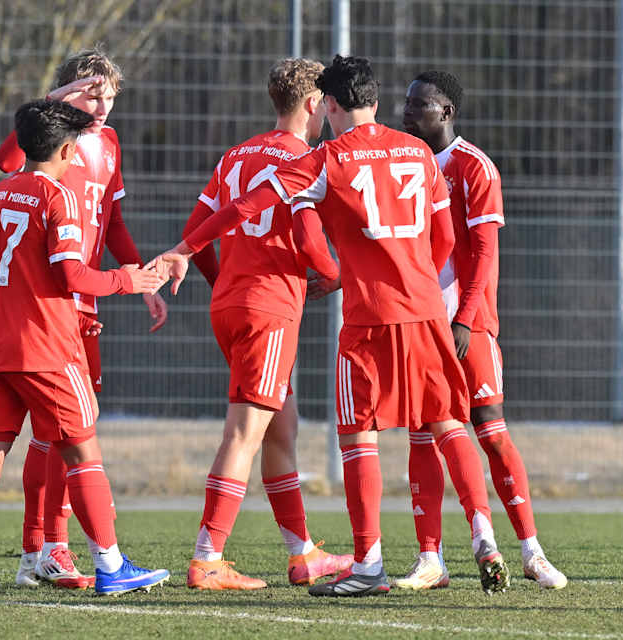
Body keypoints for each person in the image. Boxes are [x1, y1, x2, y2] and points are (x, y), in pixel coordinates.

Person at [152, 55, 510, 597]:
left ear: (335, 105)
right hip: (425, 310)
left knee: (356, 435)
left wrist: (186, 248)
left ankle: (366, 562)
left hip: (365, 317)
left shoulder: (325, 158)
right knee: (448, 421)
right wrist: (407, 270)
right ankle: (484, 535)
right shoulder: (419, 152)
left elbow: (248, 206)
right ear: (378, 100)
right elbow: (445, 241)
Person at [0, 99, 170, 597]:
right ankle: (111, 566)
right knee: (83, 450)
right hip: (45, 346)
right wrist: (128, 279)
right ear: (68, 149)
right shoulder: (58, 197)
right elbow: (70, 275)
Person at [179, 58, 352, 591]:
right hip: (269, 307)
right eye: (323, 101)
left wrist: (224, 280)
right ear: (310, 104)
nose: (326, 110)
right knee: (245, 431)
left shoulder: (237, 154)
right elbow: (308, 242)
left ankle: (302, 552)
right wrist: (336, 275)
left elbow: (197, 229)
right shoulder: (304, 158)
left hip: (232, 303)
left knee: (282, 425)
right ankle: (208, 557)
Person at [397, 70, 567, 590]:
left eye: (418, 105)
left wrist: (466, 319)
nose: (406, 114)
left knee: (491, 432)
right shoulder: (405, 162)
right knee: (423, 433)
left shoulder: (474, 167)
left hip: (467, 325)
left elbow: (486, 255)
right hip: (421, 322)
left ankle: (532, 551)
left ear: (446, 112)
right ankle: (431, 558)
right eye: (404, 105)